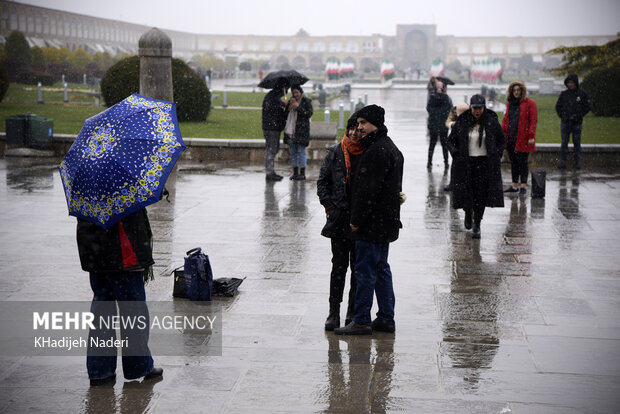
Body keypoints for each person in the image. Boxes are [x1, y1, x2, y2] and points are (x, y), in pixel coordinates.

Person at [334, 104, 404, 335]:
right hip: (385, 223)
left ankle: (362, 320)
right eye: (358, 123)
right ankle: (385, 318)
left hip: (372, 225)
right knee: (382, 268)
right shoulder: (389, 147)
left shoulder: (376, 150)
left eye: (363, 123)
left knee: (365, 271)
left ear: (375, 124)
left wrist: (356, 220)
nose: (360, 127)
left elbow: (367, 192)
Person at [76, 209, 163, 386]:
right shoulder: (125, 185)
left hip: (95, 251)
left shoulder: (86, 186)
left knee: (101, 310)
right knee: (133, 310)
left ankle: (100, 371)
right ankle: (139, 366)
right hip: (124, 252)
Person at [317, 115, 362, 330]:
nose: (353, 133)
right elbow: (323, 182)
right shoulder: (335, 152)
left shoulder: (366, 152)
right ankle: (333, 311)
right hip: (339, 219)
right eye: (350, 129)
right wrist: (330, 207)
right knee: (338, 267)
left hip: (359, 220)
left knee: (357, 268)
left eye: (357, 129)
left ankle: (352, 312)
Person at [447, 94, 505, 239]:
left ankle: (477, 224)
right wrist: (456, 155)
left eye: (480, 108)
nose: (477, 111)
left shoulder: (491, 122)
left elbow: (501, 140)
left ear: (484, 108)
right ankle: (468, 212)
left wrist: (496, 155)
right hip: (466, 163)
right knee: (467, 192)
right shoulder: (462, 122)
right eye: (474, 108)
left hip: (485, 164)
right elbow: (451, 141)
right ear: (471, 108)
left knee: (481, 195)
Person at [501, 81, 538, 195]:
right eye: (514, 90)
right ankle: (514, 185)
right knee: (514, 162)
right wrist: (501, 131)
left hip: (523, 137)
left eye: (518, 90)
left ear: (522, 91)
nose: (516, 92)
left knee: (523, 162)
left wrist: (531, 135)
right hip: (511, 137)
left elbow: (533, 121)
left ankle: (523, 186)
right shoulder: (510, 104)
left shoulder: (530, 103)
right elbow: (506, 120)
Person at [555, 74, 590, 169]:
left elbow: (587, 107)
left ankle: (576, 163)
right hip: (565, 123)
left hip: (577, 123)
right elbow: (558, 107)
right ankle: (562, 162)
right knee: (564, 143)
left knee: (577, 143)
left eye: (572, 82)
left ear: (576, 83)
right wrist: (563, 116)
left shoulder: (582, 94)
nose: (570, 84)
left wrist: (579, 116)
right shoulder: (564, 94)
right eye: (569, 83)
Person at [284, 84, 313, 180]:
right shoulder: (290, 101)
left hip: (301, 131)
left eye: (296, 92)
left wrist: (298, 107)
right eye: (293, 93)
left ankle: (302, 173)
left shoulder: (306, 101)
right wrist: (287, 107)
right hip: (291, 131)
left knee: (301, 152)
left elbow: (308, 114)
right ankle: (295, 172)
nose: (295, 95)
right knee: (293, 153)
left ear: (301, 92)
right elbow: (285, 116)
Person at [262, 80, 288, 181]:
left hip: (273, 127)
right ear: (281, 87)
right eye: (286, 88)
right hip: (271, 128)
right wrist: (282, 104)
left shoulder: (274, 96)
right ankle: (269, 173)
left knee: (273, 149)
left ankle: (271, 171)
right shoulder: (273, 97)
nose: (287, 90)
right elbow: (272, 110)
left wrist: (282, 104)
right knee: (271, 150)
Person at [426, 80, 453, 169]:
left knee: (432, 145)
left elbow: (428, 109)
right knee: (444, 145)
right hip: (443, 126)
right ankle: (446, 162)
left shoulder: (432, 98)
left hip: (433, 125)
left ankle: (429, 162)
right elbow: (451, 110)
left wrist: (434, 115)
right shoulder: (447, 99)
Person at [443, 102, 470, 191]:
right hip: (457, 141)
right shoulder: (454, 113)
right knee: (456, 164)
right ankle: (453, 183)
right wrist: (453, 124)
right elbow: (448, 122)